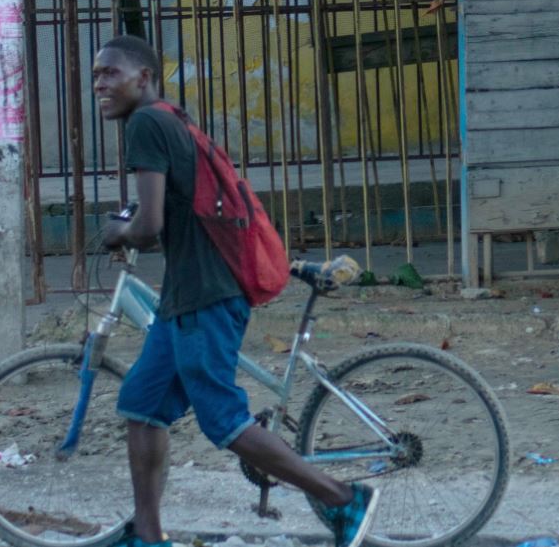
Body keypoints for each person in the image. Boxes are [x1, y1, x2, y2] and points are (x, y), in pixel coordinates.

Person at [95, 34, 380, 547]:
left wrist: (117, 231)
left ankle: (342, 498)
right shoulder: (169, 117)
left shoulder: (145, 124)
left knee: (222, 421)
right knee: (141, 404)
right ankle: (147, 534)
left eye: (110, 73)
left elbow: (149, 224)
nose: (100, 84)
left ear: (144, 77)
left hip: (204, 295)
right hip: (188, 295)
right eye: (95, 75)